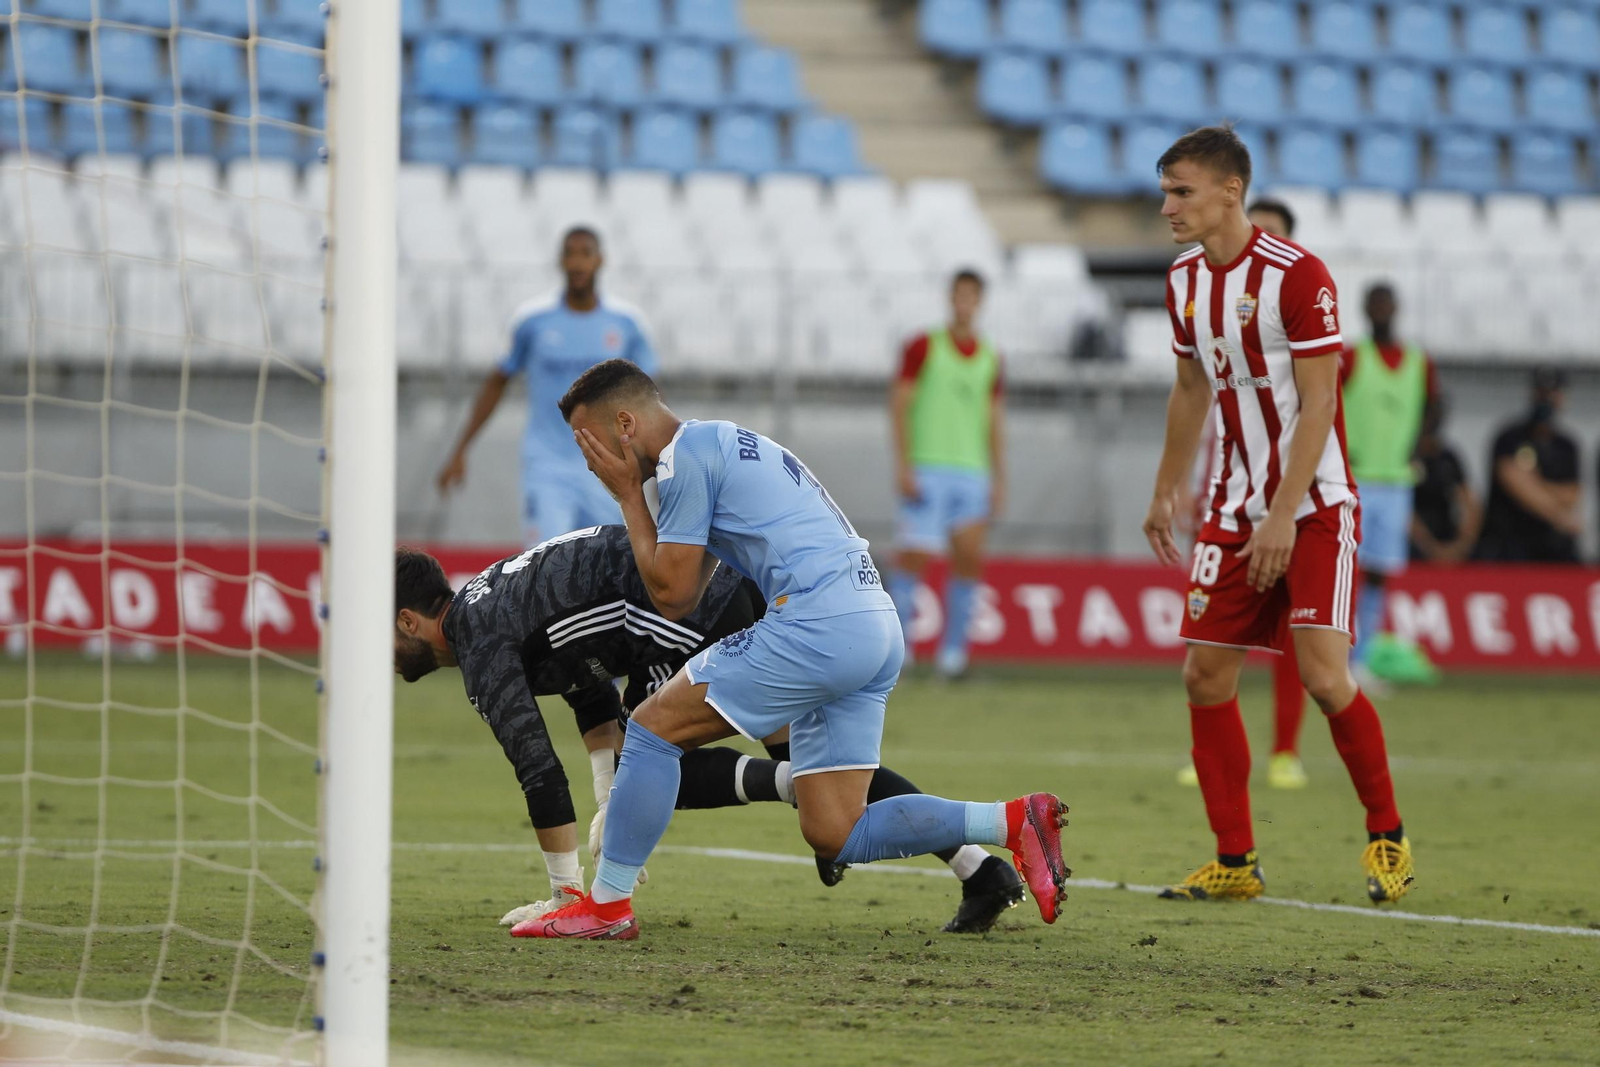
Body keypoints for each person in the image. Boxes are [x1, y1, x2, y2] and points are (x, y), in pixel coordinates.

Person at [515, 360, 1069, 940]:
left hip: (817, 621)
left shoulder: (684, 459)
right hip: (872, 620)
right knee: (836, 829)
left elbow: (673, 597)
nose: (588, 460)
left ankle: (605, 909)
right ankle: (1012, 820)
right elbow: (690, 582)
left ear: (625, 424)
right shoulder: (719, 443)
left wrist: (629, 495)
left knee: (652, 729)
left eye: (590, 442)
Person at [392, 533, 1027, 936]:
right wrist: (610, 796)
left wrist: (563, 891)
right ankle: (979, 870)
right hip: (703, 593)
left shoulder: (479, 640)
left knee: (656, 758)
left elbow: (536, 770)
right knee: (809, 769)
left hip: (682, 606)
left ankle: (591, 903)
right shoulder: (492, 605)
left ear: (408, 621)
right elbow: (588, 688)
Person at [1142, 125, 1413, 905]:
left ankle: (1387, 835)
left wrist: (1284, 516)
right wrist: (1165, 487)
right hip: (1232, 505)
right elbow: (1192, 388)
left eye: (1181, 191)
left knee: (1327, 676)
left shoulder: (1298, 275)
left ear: (1232, 190)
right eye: (1165, 192)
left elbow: (1322, 401)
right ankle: (1235, 859)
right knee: (1204, 675)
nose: (1168, 207)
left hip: (1314, 503)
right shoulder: (1185, 280)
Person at [1177, 197, 1311, 792]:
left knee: (1296, 643)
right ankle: (1212, 756)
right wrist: (1185, 484)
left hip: (1295, 505)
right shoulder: (1210, 307)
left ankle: (1285, 750)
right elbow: (1203, 405)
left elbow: (1320, 417)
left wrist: (1293, 503)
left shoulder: (1303, 308)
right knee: (1210, 652)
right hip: (1230, 498)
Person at [436, 227, 657, 545]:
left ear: (600, 260)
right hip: (548, 465)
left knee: (614, 564)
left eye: (586, 254)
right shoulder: (533, 321)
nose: (577, 263)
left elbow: (649, 395)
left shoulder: (627, 324)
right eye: (570, 253)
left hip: (610, 466)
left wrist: (655, 457)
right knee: (549, 563)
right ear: (560, 261)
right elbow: (497, 382)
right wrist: (461, 450)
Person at [886, 269, 1005, 679]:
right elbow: (899, 404)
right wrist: (904, 464)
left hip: (972, 472)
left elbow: (993, 420)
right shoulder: (924, 346)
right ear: (950, 298)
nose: (964, 303)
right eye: (959, 295)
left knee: (969, 560)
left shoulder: (991, 355)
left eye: (972, 296)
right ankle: (899, 652)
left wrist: (998, 476)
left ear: (980, 301)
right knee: (913, 558)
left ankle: (953, 655)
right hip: (928, 466)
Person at [1339, 283, 1438, 688]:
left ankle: (1359, 661)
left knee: (1378, 573)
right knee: (1344, 571)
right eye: (1374, 303)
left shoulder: (1418, 361)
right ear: (1365, 309)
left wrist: (1419, 446)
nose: (1381, 310)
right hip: (1353, 477)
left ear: (1396, 308)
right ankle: (1336, 659)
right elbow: (1323, 402)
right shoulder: (1351, 357)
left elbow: (1435, 406)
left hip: (1396, 480)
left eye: (1386, 303)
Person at [1474, 368, 1582, 563]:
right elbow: (1514, 483)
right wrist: (1558, 516)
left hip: (1550, 546)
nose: (1547, 400)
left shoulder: (1566, 445)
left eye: (1553, 393)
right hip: (1509, 543)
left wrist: (1534, 482)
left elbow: (1572, 494)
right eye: (1542, 393)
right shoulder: (1510, 437)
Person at [1410, 398, 1481, 563]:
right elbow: (1401, 510)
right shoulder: (1404, 456)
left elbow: (1469, 502)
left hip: (1447, 539)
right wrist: (1430, 547)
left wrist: (1463, 544)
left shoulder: (1447, 457)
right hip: (1414, 544)